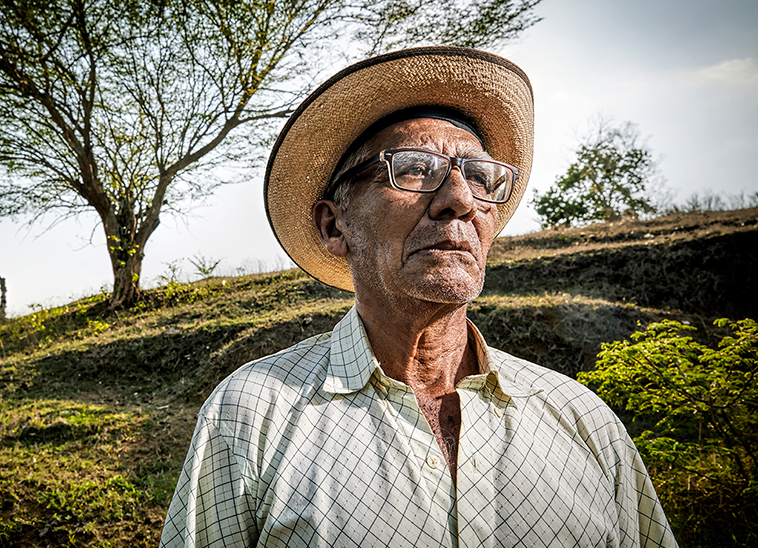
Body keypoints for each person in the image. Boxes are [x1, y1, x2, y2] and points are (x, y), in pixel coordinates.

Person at [159, 47, 677, 548]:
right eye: (412, 168)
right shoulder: (250, 414)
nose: (459, 200)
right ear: (334, 225)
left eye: (479, 177)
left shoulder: (579, 417)